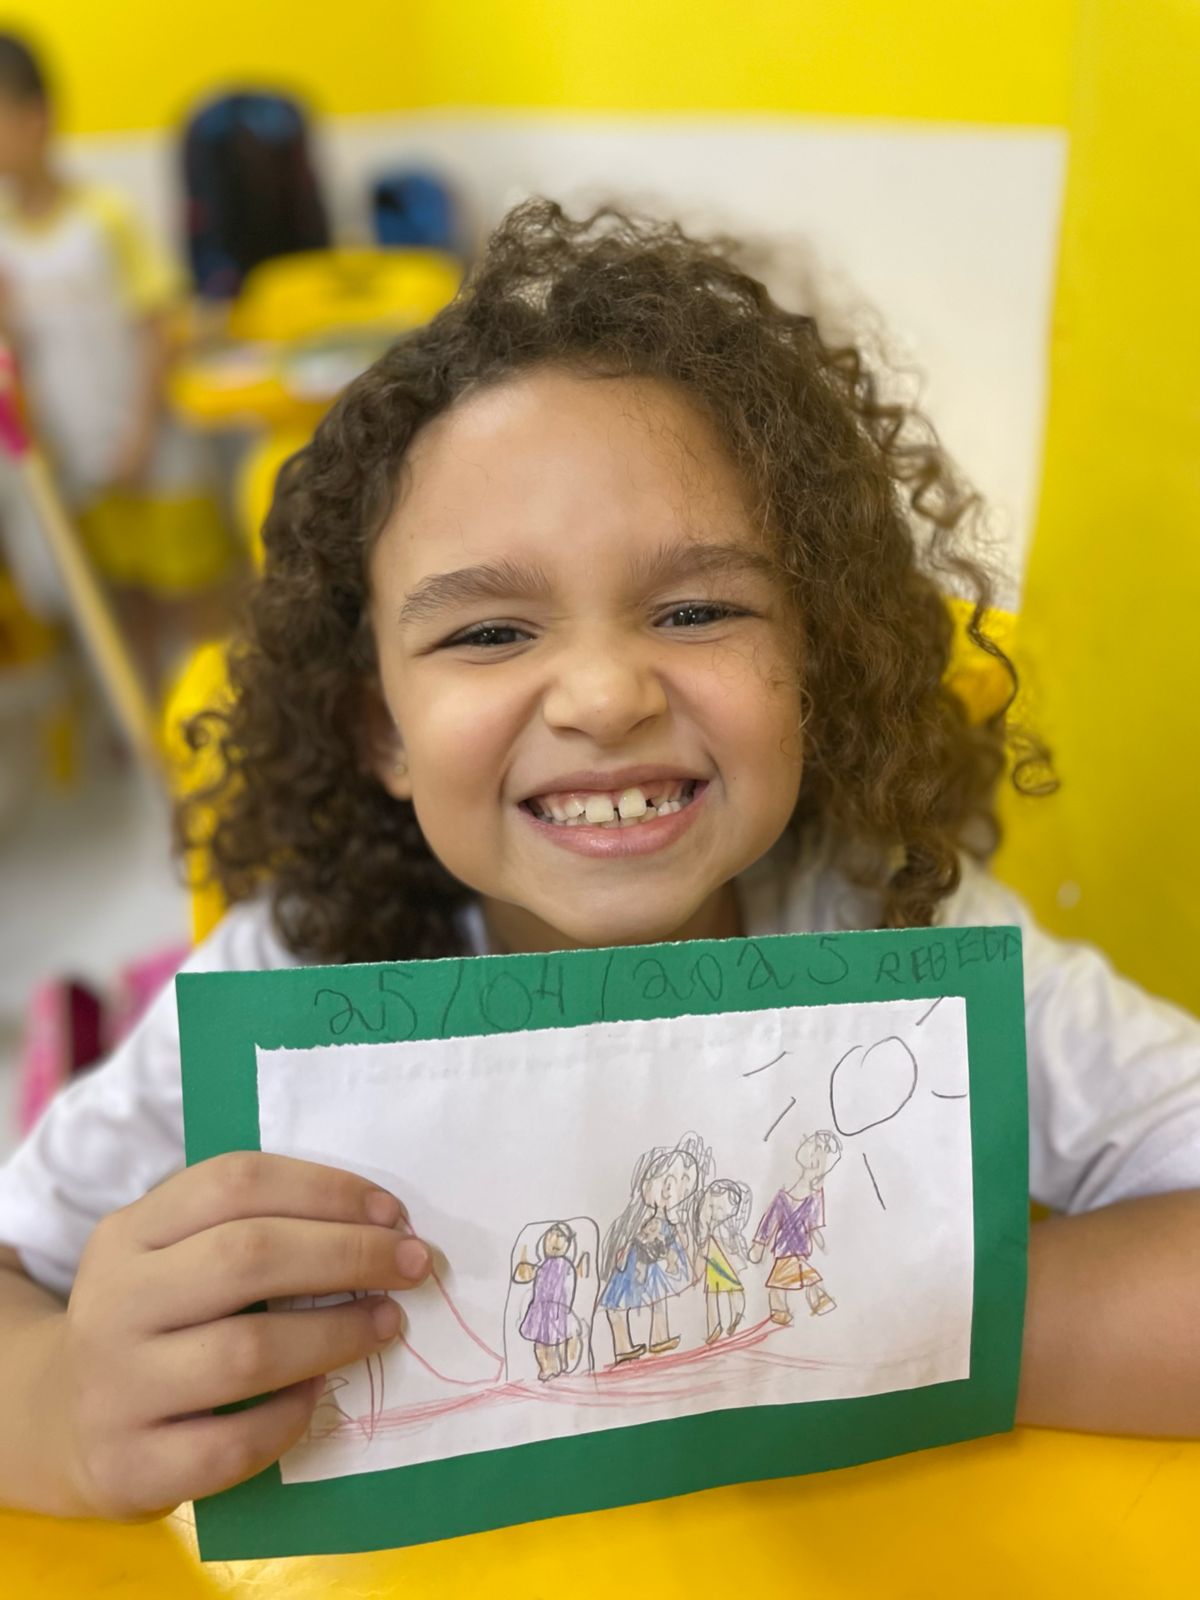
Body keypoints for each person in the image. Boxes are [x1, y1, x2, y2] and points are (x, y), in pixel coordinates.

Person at [0, 196, 1197, 1522]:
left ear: (815, 664)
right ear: (378, 724)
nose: (605, 694)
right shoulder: (301, 975)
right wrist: (54, 1403)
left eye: (695, 610)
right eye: (489, 634)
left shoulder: (889, 922)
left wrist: (906, 1324)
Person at [0, 32, 234, 687]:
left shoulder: (106, 217)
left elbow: (161, 326)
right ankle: (148, 714)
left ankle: (218, 706)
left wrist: (137, 431)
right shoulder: (4, 238)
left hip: (150, 448)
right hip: (77, 458)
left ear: (34, 118)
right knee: (123, 592)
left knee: (191, 590)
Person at [750, 1131, 842, 1324]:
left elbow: (815, 1226)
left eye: (821, 1157)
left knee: (791, 1278)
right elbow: (769, 1223)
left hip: (798, 1248)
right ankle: (790, 1307)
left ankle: (789, 1308)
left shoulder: (815, 1197)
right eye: (814, 1150)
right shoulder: (782, 1196)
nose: (815, 1160)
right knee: (783, 1280)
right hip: (784, 1248)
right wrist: (759, 1244)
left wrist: (826, 1247)